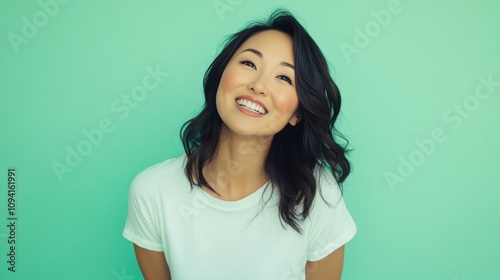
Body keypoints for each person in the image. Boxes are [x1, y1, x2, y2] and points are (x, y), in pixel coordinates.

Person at [123, 8, 357, 280]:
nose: (258, 86)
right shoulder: (152, 191)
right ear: (221, 76)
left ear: (297, 113)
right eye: (249, 64)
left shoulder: (317, 195)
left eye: (284, 78)